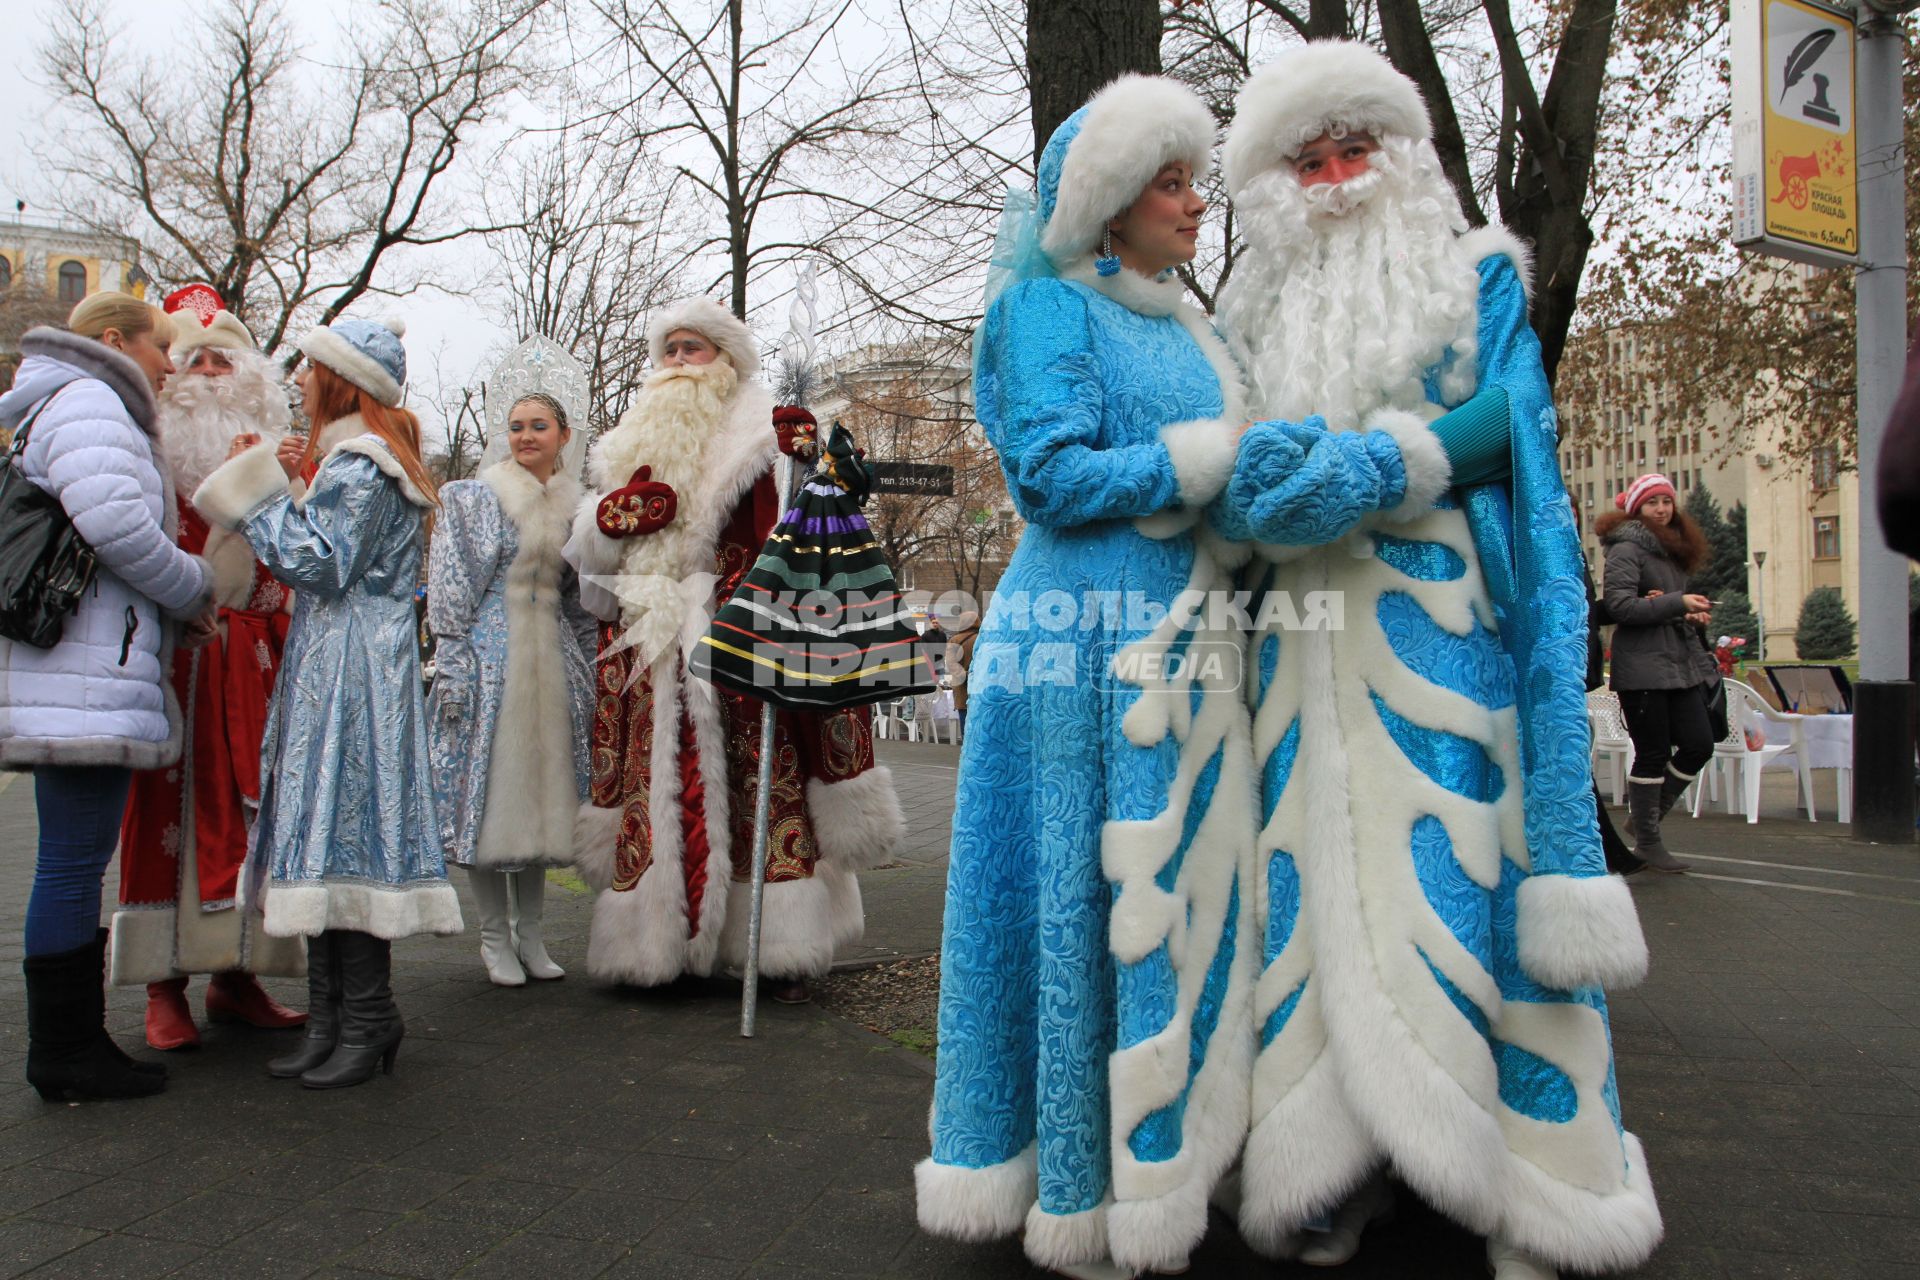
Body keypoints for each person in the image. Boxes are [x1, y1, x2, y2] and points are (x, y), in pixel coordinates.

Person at [1214, 42, 1658, 1279]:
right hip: (1296, 653)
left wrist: (1388, 463)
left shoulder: (1476, 278)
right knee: (1301, 899)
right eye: (1310, 160)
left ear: (1402, 161)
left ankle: (1527, 1183)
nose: (1338, 178)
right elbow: (1228, 464)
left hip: (1439, 636)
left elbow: (1513, 418)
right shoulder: (1246, 314)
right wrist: (1264, 498)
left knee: (1461, 879)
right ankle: (1324, 1165)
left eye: (1356, 151)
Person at [916, 76, 1257, 1278]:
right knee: (1076, 892)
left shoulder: (1180, 324)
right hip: (1076, 639)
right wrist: (1206, 459)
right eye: (1170, 183)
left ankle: (1159, 1166)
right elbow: (1052, 480)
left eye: (1193, 180)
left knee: (1162, 893)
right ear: (1108, 200)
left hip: (1176, 642)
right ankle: (1076, 1185)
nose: (1193, 204)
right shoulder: (1047, 310)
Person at [566, 298, 905, 1006]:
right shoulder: (625, 442)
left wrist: (809, 458)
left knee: (760, 783)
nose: (681, 364)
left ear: (728, 362)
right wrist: (610, 520)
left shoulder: (765, 437)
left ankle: (771, 945)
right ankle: (652, 948)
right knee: (654, 787)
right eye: (671, 351)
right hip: (652, 649)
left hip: (742, 641)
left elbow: (825, 519)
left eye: (696, 350)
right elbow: (592, 573)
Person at [194, 314, 461, 1089]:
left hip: (352, 669)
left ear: (342, 380)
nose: (299, 379)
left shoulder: (364, 464)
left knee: (345, 825)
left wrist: (256, 494)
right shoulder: (356, 461)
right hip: (340, 662)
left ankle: (369, 1017)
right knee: (325, 827)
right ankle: (338, 1016)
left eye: (309, 368)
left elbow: (320, 565)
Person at [0, 293, 213, 1101]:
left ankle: (73, 1043)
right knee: (70, 863)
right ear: (116, 343)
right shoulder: (92, 401)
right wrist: (193, 585)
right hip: (86, 682)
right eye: (160, 346)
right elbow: (119, 527)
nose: (168, 362)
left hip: (76, 673)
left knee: (68, 861)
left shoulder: (55, 400)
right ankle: (65, 1050)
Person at [112, 286, 307, 1050]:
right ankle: (163, 984)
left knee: (258, 817)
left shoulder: (274, 458)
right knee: (168, 818)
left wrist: (280, 489)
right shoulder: (151, 461)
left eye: (226, 359)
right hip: (183, 663)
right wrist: (233, 495)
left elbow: (283, 572)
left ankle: (238, 975)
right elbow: (169, 565)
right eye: (196, 360)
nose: (212, 374)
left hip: (258, 662)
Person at [427, 389, 596, 985]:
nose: (526, 437)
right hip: (491, 661)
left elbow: (580, 602)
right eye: (517, 427)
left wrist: (593, 668)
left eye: (539, 427)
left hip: (553, 664)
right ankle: (494, 937)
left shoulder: (579, 507)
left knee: (543, 806)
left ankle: (532, 936)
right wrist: (451, 656)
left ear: (563, 435)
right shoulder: (476, 498)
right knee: (490, 799)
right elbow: (451, 581)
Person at [1598, 473, 1716, 874]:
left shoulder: (1670, 551)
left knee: (1700, 743)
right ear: (1637, 509)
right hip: (1643, 670)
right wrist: (1674, 602)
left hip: (1679, 667)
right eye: (1653, 503)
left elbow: (1665, 605)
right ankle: (1648, 841)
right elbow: (1619, 608)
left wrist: (1688, 611)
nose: (1663, 509)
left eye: (1667, 501)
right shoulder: (1626, 549)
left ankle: (1644, 818)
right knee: (1652, 753)